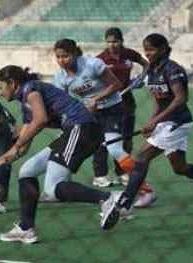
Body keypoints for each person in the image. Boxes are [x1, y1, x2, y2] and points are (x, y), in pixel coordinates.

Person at [101, 33, 193, 228]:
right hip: (166, 123)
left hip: (177, 122)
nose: (148, 53)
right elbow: (159, 100)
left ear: (163, 49)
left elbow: (180, 99)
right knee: (180, 168)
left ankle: (125, 203)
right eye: (146, 50)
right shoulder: (151, 69)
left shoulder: (172, 69)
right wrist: (153, 122)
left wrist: (157, 121)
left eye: (151, 49)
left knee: (141, 157)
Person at [0, 65, 122, 244]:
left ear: (12, 83)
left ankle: (106, 199)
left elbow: (40, 120)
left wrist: (17, 144)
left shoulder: (31, 90)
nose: (0, 93)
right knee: (27, 170)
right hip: (75, 131)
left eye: (0, 87)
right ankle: (26, 229)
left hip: (81, 128)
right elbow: (20, 150)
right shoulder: (26, 106)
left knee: (53, 188)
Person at [53, 38, 156, 207]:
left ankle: (146, 190)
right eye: (58, 57)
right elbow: (65, 101)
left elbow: (116, 85)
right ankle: (57, 186)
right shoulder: (61, 78)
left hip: (112, 110)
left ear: (75, 53)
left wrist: (97, 99)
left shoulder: (93, 64)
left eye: (65, 56)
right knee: (68, 145)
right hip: (89, 115)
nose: (61, 61)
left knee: (114, 149)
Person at [95, 27, 148, 188]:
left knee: (126, 139)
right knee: (104, 141)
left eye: (115, 41)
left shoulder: (129, 54)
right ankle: (100, 175)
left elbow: (146, 64)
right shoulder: (100, 59)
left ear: (121, 41)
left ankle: (122, 172)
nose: (112, 44)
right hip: (107, 105)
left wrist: (141, 78)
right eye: (109, 41)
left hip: (127, 102)